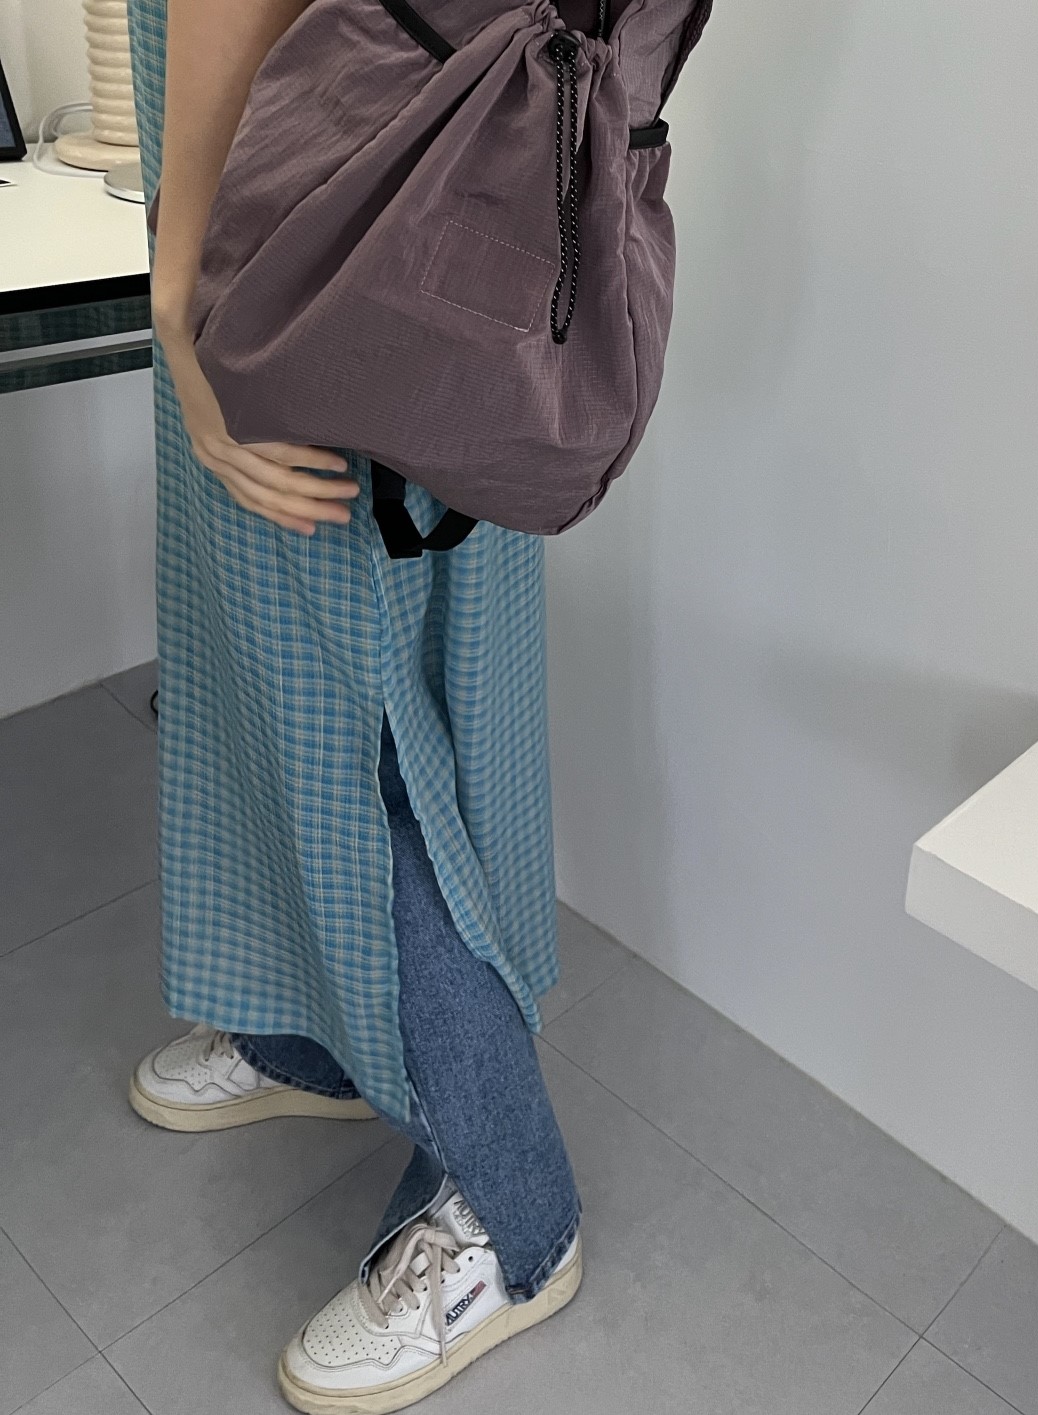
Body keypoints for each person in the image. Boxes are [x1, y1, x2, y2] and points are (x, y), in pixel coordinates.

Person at [125, 2, 582, 1410]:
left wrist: (182, 289)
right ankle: (305, 1027)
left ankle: (511, 1212)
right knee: (344, 683)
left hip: (295, 229)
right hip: (429, 186)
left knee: (353, 729)